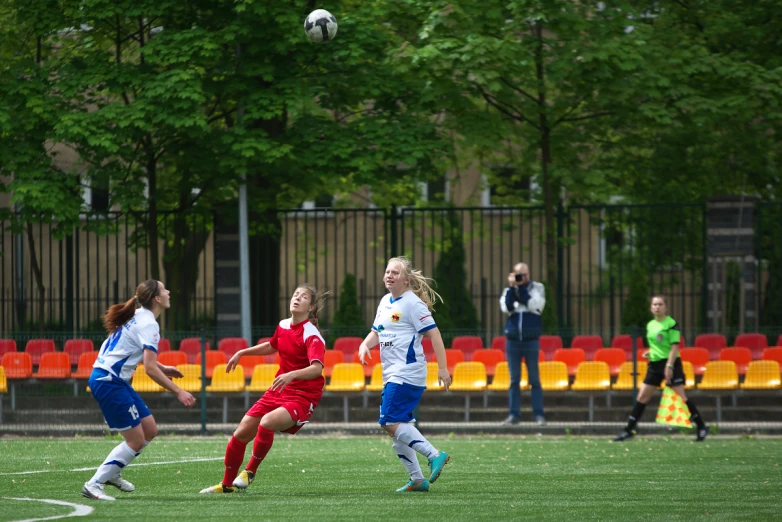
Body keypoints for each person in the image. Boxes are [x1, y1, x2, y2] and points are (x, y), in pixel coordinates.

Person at [200, 284, 330, 494]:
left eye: (303, 297)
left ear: (311, 307)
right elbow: (273, 345)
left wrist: (291, 374)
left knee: (267, 423)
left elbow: (317, 369)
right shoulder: (283, 325)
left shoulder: (311, 334)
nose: (297, 298)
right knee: (241, 433)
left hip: (303, 396)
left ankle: (250, 471)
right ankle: (226, 486)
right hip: (279, 389)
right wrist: (242, 352)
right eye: (295, 294)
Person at [82, 280, 196, 501]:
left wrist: (164, 367)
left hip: (116, 381)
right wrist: (178, 391)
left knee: (149, 430)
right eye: (165, 289)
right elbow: (150, 369)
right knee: (135, 441)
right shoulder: (148, 323)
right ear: (157, 298)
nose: (169, 291)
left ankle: (112, 473)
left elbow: (137, 352)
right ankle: (94, 484)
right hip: (109, 381)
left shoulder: (140, 316)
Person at [358, 256, 452, 493]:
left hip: (408, 372)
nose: (389, 275)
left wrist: (442, 368)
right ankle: (417, 480)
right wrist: (364, 344)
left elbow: (435, 335)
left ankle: (435, 454)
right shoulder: (385, 301)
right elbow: (377, 332)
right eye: (387, 271)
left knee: (389, 421)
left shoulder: (413, 304)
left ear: (407, 280)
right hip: (392, 374)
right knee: (398, 427)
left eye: (395, 273)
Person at [613, 295, 710, 442]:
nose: (657, 307)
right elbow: (657, 346)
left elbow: (674, 347)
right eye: (655, 304)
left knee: (681, 398)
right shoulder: (650, 325)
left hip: (671, 363)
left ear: (665, 307)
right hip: (654, 365)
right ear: (651, 308)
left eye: (660, 304)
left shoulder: (671, 324)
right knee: (642, 397)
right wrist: (650, 353)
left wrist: (669, 366)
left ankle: (702, 427)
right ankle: (629, 430)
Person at [499, 262, 546, 426]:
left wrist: (523, 290)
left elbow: (536, 305)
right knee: (514, 380)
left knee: (534, 378)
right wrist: (513, 288)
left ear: (529, 274)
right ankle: (514, 415)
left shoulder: (538, 288)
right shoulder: (508, 290)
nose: (522, 278)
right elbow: (507, 307)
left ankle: (538, 414)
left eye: (525, 274)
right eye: (519, 274)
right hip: (513, 340)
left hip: (531, 339)